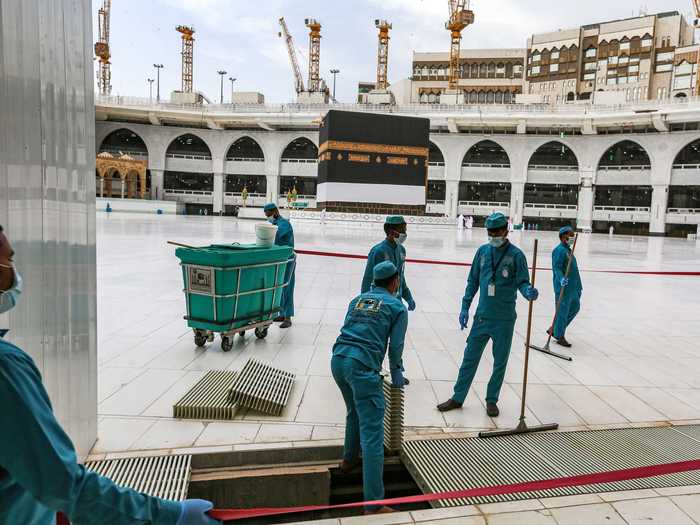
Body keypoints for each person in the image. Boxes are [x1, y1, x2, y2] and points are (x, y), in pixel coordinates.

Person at [0, 225, 219, 525]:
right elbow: (64, 484)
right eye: (8, 261)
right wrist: (169, 516)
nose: (13, 272)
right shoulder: (5, 370)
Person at [437, 212, 539, 417]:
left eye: (496, 232)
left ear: (505, 230)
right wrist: (465, 306)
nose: (493, 236)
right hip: (482, 317)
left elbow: (522, 282)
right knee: (469, 358)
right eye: (490, 232)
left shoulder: (516, 255)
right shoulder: (482, 252)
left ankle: (492, 399)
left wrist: (528, 291)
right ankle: (458, 397)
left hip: (504, 319)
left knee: (499, 362)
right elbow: (472, 281)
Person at [332, 261, 408, 515]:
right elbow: (395, 346)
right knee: (373, 434)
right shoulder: (397, 307)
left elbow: (351, 328)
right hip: (362, 367)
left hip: (338, 359)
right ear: (395, 281)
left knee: (353, 411)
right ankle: (373, 505)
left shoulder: (357, 300)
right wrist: (396, 370)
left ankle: (348, 460)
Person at [361, 216, 416, 313]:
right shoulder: (378, 251)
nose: (405, 234)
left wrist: (408, 297)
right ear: (391, 231)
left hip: (396, 302)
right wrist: (366, 307)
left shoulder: (401, 250)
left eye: (405, 231)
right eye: (402, 231)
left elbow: (400, 277)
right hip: (381, 303)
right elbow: (368, 279)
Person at [548, 226, 582, 348]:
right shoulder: (559, 250)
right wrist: (561, 278)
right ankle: (559, 335)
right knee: (562, 312)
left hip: (574, 286)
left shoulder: (568, 250)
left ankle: (555, 329)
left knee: (575, 307)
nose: (572, 237)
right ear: (563, 236)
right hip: (564, 287)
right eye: (571, 235)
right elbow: (556, 268)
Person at [263, 203, 295, 328]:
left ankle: (288, 317)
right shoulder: (275, 224)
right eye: (267, 215)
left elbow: (274, 237)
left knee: (287, 287)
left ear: (275, 212)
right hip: (279, 260)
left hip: (288, 260)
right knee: (279, 287)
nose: (268, 217)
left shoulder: (284, 224)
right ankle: (281, 313)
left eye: (269, 215)